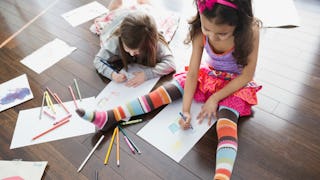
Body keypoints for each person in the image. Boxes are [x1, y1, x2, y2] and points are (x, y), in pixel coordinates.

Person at [77, 0, 261, 179]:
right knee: (164, 92)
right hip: (208, 76)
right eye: (207, 30)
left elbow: (246, 76)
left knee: (227, 123)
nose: (212, 37)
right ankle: (111, 116)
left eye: (222, 34)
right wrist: (185, 110)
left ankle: (222, 175)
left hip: (234, 84)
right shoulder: (200, 31)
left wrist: (215, 99)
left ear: (240, 23)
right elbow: (193, 73)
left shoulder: (251, 31)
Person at [93, 0, 176, 87]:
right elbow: (98, 60)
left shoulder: (154, 42)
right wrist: (112, 74)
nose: (132, 54)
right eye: (128, 49)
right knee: (114, 10)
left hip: (141, 20)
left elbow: (171, 64)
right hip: (119, 19)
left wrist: (146, 75)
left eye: (137, 51)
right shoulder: (115, 40)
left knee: (147, 8)